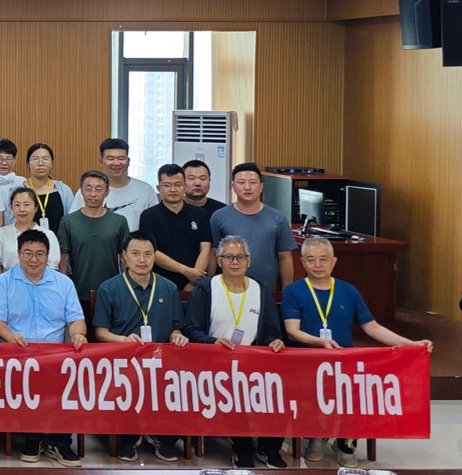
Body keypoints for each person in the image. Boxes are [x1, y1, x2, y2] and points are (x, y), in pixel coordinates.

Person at [283, 237, 435, 468]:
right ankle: (316, 436)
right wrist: (321, 343)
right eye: (311, 260)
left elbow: (372, 327)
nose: (318, 265)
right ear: (302, 262)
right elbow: (292, 332)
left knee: (361, 389)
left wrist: (411, 344)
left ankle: (346, 443)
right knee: (316, 393)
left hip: (346, 363)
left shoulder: (348, 291)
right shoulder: (293, 291)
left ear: (334, 261)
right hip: (308, 363)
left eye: (323, 259)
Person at [181, 235, 287, 468]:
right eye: (228, 257)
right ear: (219, 261)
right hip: (213, 364)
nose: (235, 262)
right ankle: (243, 447)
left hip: (253, 363)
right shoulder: (207, 288)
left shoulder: (260, 290)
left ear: (249, 261)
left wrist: (275, 341)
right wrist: (212, 342)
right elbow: (191, 329)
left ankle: (269, 448)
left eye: (240, 257)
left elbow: (272, 331)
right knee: (235, 389)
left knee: (278, 389)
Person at [0, 230, 85, 467]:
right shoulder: (4, 282)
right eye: (27, 253)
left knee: (70, 377)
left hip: (55, 357)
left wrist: (78, 334)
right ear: (18, 253)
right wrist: (10, 337)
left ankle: (60, 442)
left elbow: (76, 319)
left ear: (48, 255)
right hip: (17, 355)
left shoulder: (63, 283)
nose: (33, 259)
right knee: (27, 379)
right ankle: (33, 438)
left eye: (40, 254)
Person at [90, 231, 189, 463]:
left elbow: (176, 328)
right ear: (124, 256)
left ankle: (161, 437)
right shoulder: (108, 288)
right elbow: (100, 333)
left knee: (182, 386)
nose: (142, 260)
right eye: (135, 254)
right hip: (124, 363)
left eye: (147, 254)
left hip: (161, 363)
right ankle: (128, 438)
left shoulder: (169, 288)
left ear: (155, 256)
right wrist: (123, 340)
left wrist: (177, 337)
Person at [209, 163, 294, 294]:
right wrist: (208, 286)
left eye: (253, 182)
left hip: (266, 291)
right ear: (233, 186)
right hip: (227, 290)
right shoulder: (219, 217)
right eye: (241, 182)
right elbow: (213, 254)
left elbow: (285, 257)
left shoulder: (278, 218)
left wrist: (286, 291)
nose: (247, 187)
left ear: (261, 187)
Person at [56, 170, 130, 305]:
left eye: (99, 189)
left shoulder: (119, 221)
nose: (93, 194)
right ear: (81, 191)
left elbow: (124, 259)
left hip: (112, 291)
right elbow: (64, 259)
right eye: (88, 189)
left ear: (107, 192)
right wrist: (63, 290)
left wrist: (127, 287)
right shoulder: (68, 221)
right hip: (77, 292)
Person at [139, 163, 212, 294]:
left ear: (185, 187)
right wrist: (185, 271)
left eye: (178, 185)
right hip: (159, 284)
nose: (173, 189)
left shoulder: (200, 214)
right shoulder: (148, 216)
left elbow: (205, 250)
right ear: (159, 188)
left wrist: (193, 282)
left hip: (195, 285)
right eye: (167, 185)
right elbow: (151, 251)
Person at [0, 188, 59, 276]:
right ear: (12, 209)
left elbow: (52, 267)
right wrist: (2, 282)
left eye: (27, 204)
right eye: (17, 205)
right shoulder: (2, 233)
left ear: (36, 208)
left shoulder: (48, 235)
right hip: (9, 281)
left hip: (40, 281)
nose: (22, 209)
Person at [97, 138, 157, 231]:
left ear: (128, 161)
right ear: (101, 162)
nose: (116, 163)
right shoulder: (88, 191)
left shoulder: (145, 190)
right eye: (110, 159)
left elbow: (155, 224)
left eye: (121, 158)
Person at [18, 143, 74, 231]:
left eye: (45, 159)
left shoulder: (63, 190)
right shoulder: (18, 191)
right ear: (28, 164)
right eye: (35, 159)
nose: (40, 163)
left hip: (58, 239)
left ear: (52, 163)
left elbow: (71, 221)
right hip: (26, 239)